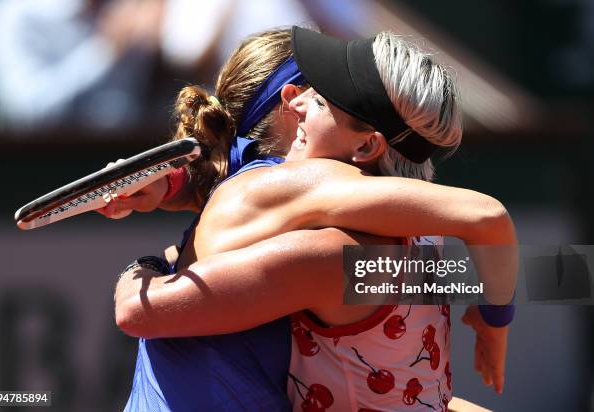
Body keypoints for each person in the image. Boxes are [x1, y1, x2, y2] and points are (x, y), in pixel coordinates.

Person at [109, 27, 516, 411]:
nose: (298, 102)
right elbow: (530, 257)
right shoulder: (426, 232)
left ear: (367, 146)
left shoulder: (326, 251)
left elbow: (136, 311)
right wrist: (494, 319)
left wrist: (148, 264)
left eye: (319, 101)